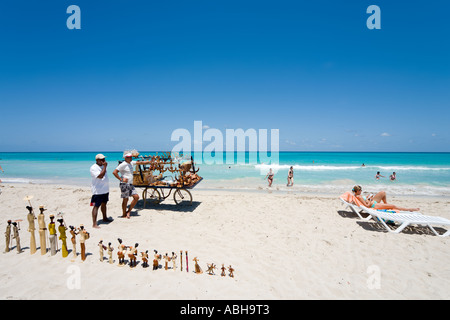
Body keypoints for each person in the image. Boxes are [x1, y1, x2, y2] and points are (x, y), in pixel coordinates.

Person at [113, 152, 151, 218]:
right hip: (124, 184)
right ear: (125, 158)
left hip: (130, 184)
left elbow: (140, 163)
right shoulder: (123, 164)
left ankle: (129, 211)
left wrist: (150, 162)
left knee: (136, 197)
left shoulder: (131, 162)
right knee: (125, 200)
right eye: (128, 157)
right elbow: (114, 172)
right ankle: (124, 214)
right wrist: (121, 179)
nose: (130, 158)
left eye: (131, 157)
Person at [352, 185, 419, 211]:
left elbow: (365, 202)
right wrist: (369, 200)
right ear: (357, 191)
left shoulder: (357, 196)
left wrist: (367, 198)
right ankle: (408, 209)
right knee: (393, 206)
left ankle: (386, 205)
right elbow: (367, 206)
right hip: (373, 205)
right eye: (360, 190)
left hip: (372, 201)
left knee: (383, 192)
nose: (361, 191)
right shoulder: (359, 197)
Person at [90, 154, 112, 228]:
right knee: (96, 206)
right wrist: (105, 167)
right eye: (102, 159)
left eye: (104, 159)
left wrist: (104, 167)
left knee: (104, 204)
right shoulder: (93, 167)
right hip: (97, 191)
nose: (104, 161)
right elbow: (100, 176)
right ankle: (94, 223)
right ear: (97, 160)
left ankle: (104, 218)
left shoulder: (102, 166)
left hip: (105, 190)